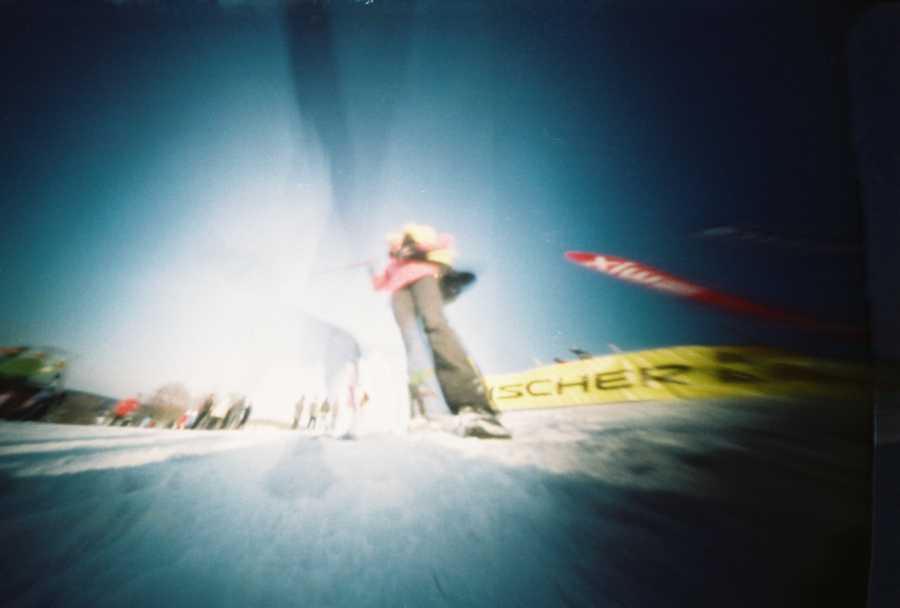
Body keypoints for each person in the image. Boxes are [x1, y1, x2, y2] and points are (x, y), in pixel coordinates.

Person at [371, 223, 510, 439]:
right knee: (410, 342)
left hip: (424, 278)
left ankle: (472, 404)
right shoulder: (393, 263)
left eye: (393, 243)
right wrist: (373, 273)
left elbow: (445, 242)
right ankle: (422, 408)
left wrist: (416, 248)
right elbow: (380, 284)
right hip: (399, 291)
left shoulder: (415, 237)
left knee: (434, 325)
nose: (391, 246)